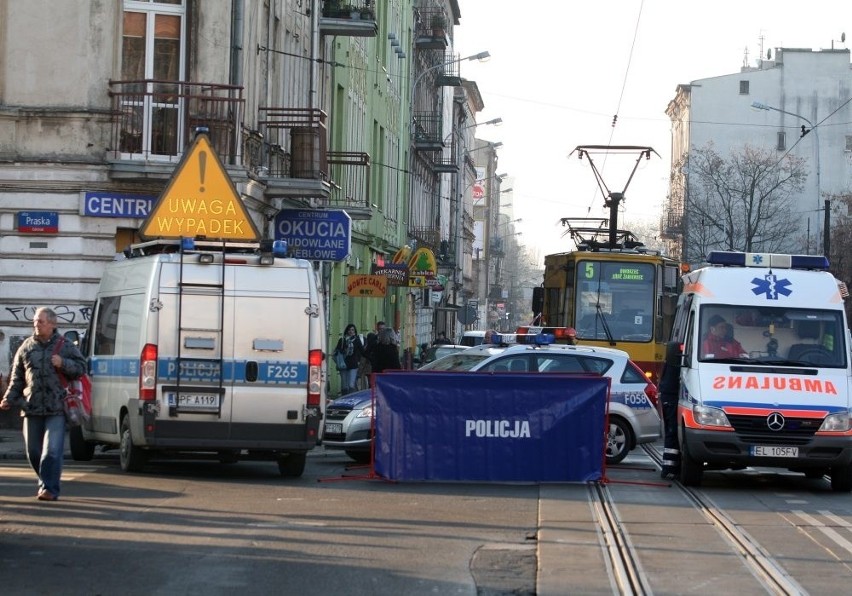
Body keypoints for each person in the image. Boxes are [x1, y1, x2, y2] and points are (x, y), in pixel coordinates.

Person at [0, 307, 86, 501]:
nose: (36, 325)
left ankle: (49, 488)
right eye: (35, 321)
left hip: (56, 407)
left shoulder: (65, 346)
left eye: (41, 321)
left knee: (52, 451)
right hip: (31, 407)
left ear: (53, 324)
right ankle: (47, 480)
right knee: (33, 452)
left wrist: (63, 363)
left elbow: (82, 368)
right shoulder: (26, 347)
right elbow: (17, 378)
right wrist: (8, 398)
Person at [334, 323, 365, 395]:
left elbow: (362, 352)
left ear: (355, 331)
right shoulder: (342, 340)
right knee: (344, 386)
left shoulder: (357, 340)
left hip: (353, 365)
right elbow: (337, 352)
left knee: (351, 385)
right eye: (349, 330)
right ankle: (344, 400)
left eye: (352, 330)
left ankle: (351, 400)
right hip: (343, 365)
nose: (351, 331)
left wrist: (370, 357)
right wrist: (344, 350)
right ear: (347, 331)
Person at [362, 321, 385, 388]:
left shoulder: (387, 339)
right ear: (377, 329)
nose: (381, 331)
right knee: (372, 385)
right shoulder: (373, 339)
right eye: (380, 329)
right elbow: (366, 352)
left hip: (383, 367)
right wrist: (372, 359)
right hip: (374, 366)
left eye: (383, 329)